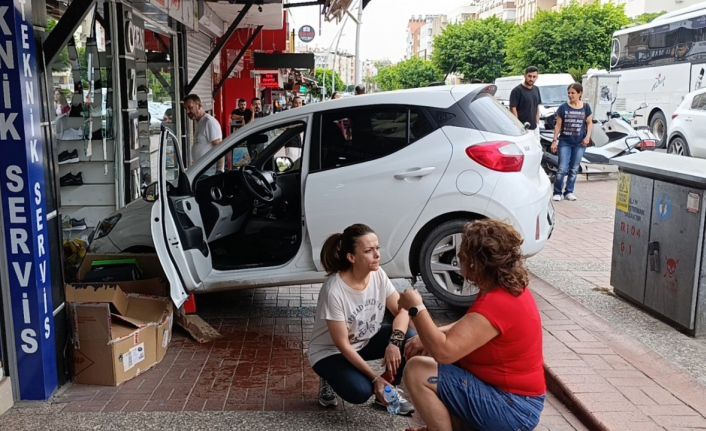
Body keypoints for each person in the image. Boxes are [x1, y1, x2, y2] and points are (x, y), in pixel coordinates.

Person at [398, 219, 545, 431]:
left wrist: (416, 308)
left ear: (475, 263)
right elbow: (473, 325)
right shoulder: (507, 289)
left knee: (418, 370)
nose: (459, 260)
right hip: (514, 402)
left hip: (514, 410)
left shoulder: (498, 302)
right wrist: (431, 334)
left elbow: (445, 352)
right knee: (432, 357)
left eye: (462, 254)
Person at [308, 223, 415, 415]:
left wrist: (394, 342)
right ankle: (330, 377)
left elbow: (402, 310)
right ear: (351, 257)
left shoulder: (378, 274)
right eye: (368, 250)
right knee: (360, 391)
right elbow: (342, 345)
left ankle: (387, 391)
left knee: (410, 338)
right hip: (330, 352)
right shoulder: (334, 290)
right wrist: (375, 378)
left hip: (362, 341)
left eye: (377, 248)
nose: (377, 255)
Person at [551, 82, 593, 202]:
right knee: (562, 168)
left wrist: (587, 137)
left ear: (580, 93)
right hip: (565, 142)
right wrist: (555, 140)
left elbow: (590, 123)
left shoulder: (586, 107)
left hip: (580, 143)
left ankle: (569, 191)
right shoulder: (563, 107)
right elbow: (558, 125)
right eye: (569, 93)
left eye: (573, 93)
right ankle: (557, 192)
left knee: (574, 168)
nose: (570, 95)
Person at [183, 94, 223, 169]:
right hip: (201, 169)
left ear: (199, 105)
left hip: (209, 170)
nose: (188, 112)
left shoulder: (209, 122)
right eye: (186, 109)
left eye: (190, 107)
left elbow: (220, 148)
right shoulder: (199, 122)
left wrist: (220, 171)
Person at [509, 66, 541, 135]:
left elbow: (537, 107)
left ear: (537, 77)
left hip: (535, 128)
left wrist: (537, 123)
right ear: (525, 75)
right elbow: (513, 109)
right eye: (529, 76)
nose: (531, 79)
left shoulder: (536, 89)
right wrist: (518, 127)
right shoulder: (516, 91)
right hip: (523, 128)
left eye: (534, 77)